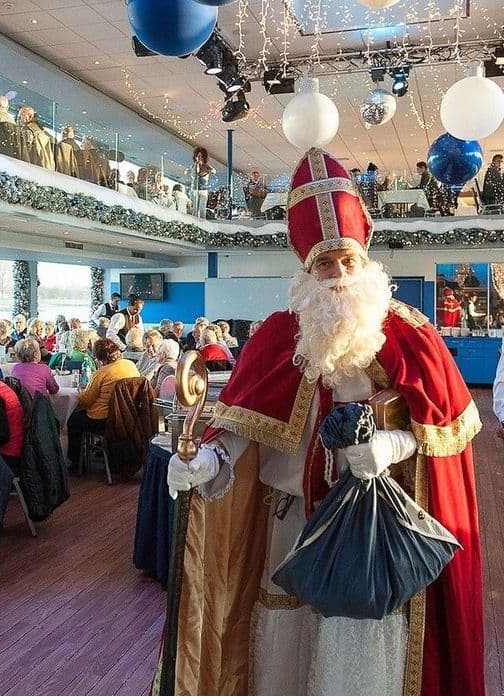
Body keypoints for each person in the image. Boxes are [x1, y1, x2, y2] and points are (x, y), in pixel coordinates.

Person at [162, 147, 483, 696]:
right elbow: (241, 426)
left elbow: (445, 436)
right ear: (305, 269)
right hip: (288, 527)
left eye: (348, 262)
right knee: (283, 652)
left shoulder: (411, 335)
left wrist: (394, 444)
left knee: (356, 661)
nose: (337, 277)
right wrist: (208, 460)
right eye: (324, 265)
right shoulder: (277, 336)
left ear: (367, 261)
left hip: (373, 532)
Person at [65, 338, 139, 468]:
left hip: (103, 418)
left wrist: (80, 391)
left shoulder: (102, 373)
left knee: (73, 420)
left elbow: (86, 401)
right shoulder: (130, 365)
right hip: (127, 415)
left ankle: (76, 462)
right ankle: (101, 448)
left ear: (99, 357)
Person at [191, 147, 216, 219]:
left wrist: (206, 172)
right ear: (195, 157)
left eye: (201, 156)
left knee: (202, 209)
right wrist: (197, 166)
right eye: (198, 156)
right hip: (195, 189)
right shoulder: (194, 166)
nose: (199, 158)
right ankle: (194, 222)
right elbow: (193, 174)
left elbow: (214, 171)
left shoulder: (206, 166)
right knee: (195, 209)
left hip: (203, 189)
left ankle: (202, 224)